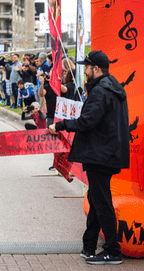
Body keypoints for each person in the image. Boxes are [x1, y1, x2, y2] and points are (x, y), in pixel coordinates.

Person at [49, 51, 130, 265]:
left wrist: (60, 125)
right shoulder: (112, 87)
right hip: (106, 153)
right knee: (96, 199)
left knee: (102, 202)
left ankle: (112, 250)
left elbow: (86, 122)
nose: (83, 71)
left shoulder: (101, 91)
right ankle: (89, 245)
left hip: (100, 155)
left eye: (86, 67)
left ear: (96, 68)